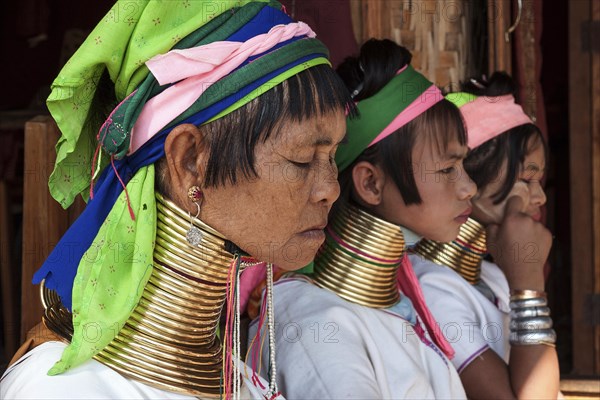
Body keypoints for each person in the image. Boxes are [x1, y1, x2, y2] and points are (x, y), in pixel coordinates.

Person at [1, 1, 354, 399]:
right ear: (190, 160)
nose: (330, 188)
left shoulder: (241, 381)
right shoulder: (64, 389)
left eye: (333, 157)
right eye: (302, 159)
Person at [247, 39, 474, 399]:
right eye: (447, 168)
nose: (469, 188)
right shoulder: (314, 322)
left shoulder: (397, 303)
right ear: (370, 182)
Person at [411, 72, 560, 399]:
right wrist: (529, 284)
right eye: (526, 179)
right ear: (470, 180)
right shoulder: (429, 289)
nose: (540, 198)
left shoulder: (492, 277)